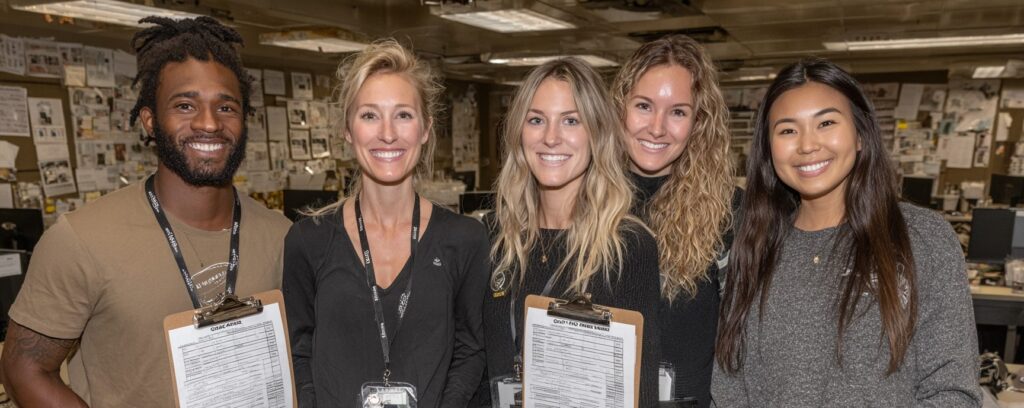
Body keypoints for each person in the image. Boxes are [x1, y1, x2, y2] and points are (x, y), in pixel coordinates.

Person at [0, 16, 291, 407]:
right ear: (150, 121)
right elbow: (23, 370)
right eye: (185, 105)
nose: (209, 123)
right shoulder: (82, 240)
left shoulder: (284, 236)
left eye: (226, 107)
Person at [712, 58, 980, 406]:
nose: (808, 145)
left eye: (826, 123)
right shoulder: (755, 246)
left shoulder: (922, 238)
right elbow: (729, 387)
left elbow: (953, 391)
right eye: (787, 130)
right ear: (768, 148)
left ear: (860, 135)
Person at [283, 39, 489, 407]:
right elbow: (299, 350)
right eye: (369, 115)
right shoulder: (308, 239)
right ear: (348, 130)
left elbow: (470, 348)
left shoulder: (465, 239)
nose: (388, 133)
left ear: (425, 128)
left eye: (403, 115)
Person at [479, 57, 661, 406]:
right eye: (536, 120)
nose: (551, 137)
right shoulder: (492, 236)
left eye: (571, 121)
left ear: (597, 133)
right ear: (519, 132)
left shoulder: (628, 247)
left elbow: (642, 392)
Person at [610, 35, 739, 407]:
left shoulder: (729, 212)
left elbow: (744, 344)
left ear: (699, 122)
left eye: (678, 112)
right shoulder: (583, 200)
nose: (657, 127)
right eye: (644, 106)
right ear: (619, 108)